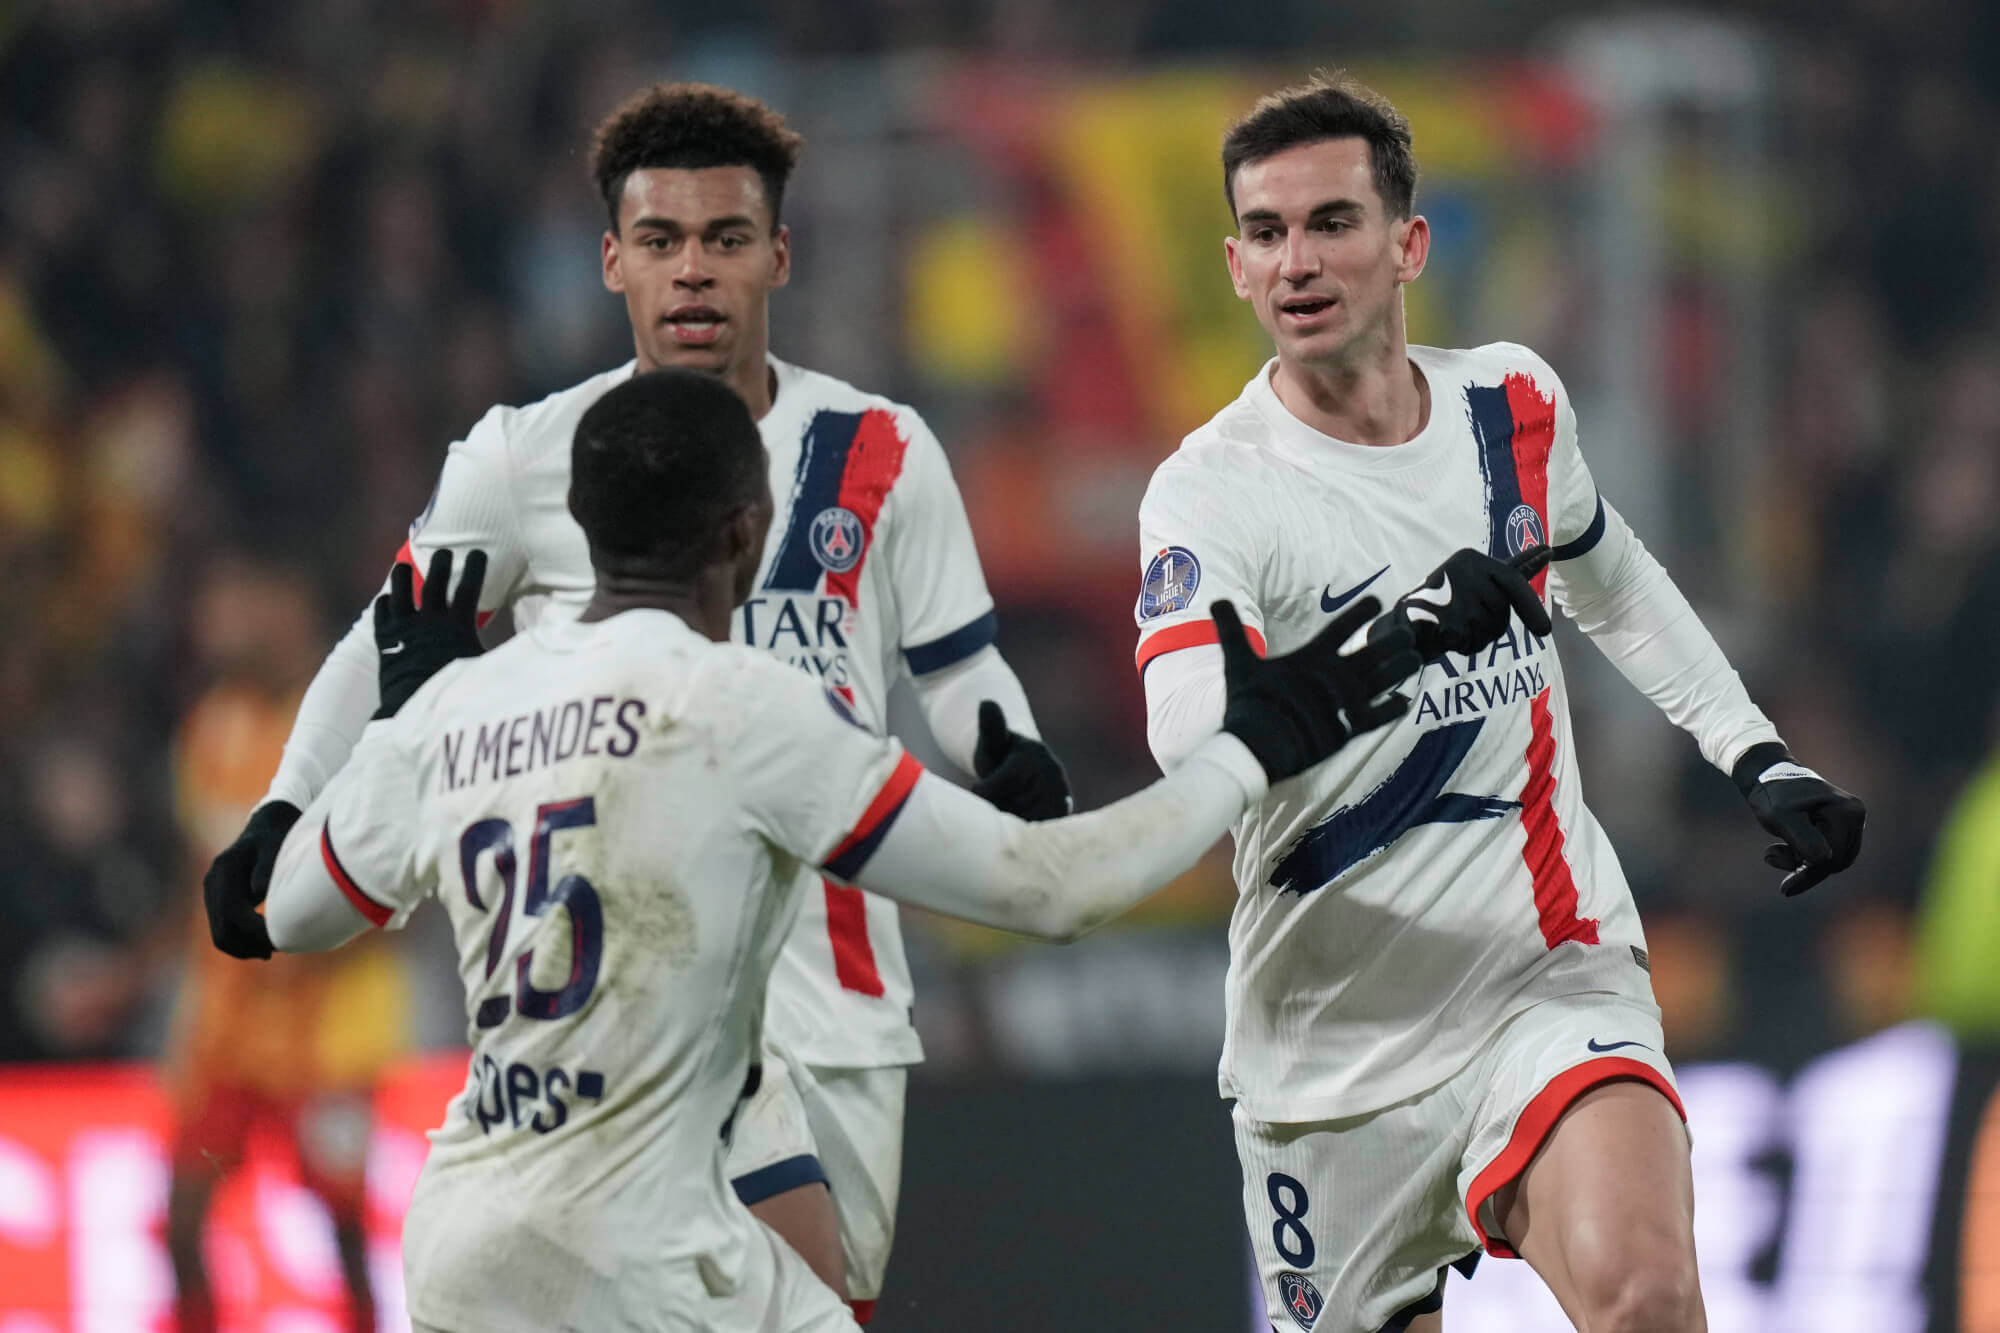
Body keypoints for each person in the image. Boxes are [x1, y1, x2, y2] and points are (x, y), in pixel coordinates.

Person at [241, 366, 1421, 1331]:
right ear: (746, 533)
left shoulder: (455, 708)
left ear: (578, 533)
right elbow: (1049, 888)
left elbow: (281, 915)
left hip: (464, 1243)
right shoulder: (745, 709)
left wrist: (405, 719)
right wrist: (1250, 747)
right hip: (652, 1253)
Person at [201, 83, 1067, 1321]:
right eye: (660, 242)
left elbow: (959, 670)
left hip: (834, 987)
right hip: (622, 975)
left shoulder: (881, 451)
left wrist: (1012, 756)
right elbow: (380, 642)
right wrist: (284, 807)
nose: (693, 273)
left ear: (779, 252)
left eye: (724, 239)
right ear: (612, 261)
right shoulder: (526, 453)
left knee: (831, 1300)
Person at [1135, 73, 1867, 1333]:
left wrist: (1752, 751)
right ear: (1235, 268)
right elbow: (1190, 738)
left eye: (1330, 222)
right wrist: (1397, 643)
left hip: (1542, 970)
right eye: (1265, 233)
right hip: (1327, 1050)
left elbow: (1614, 583)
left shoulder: (1509, 409)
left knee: (1643, 1299)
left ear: (1407, 243)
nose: (1297, 260)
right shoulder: (1208, 493)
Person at [166, 557, 407, 1333]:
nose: (221, 624)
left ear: (289, 609)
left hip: (329, 1036)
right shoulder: (211, 726)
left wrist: (303, 939)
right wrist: (133, 975)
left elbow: (396, 884)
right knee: (179, 1218)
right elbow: (193, 877)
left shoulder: (354, 730)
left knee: (343, 1232)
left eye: (239, 604)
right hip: (227, 1033)